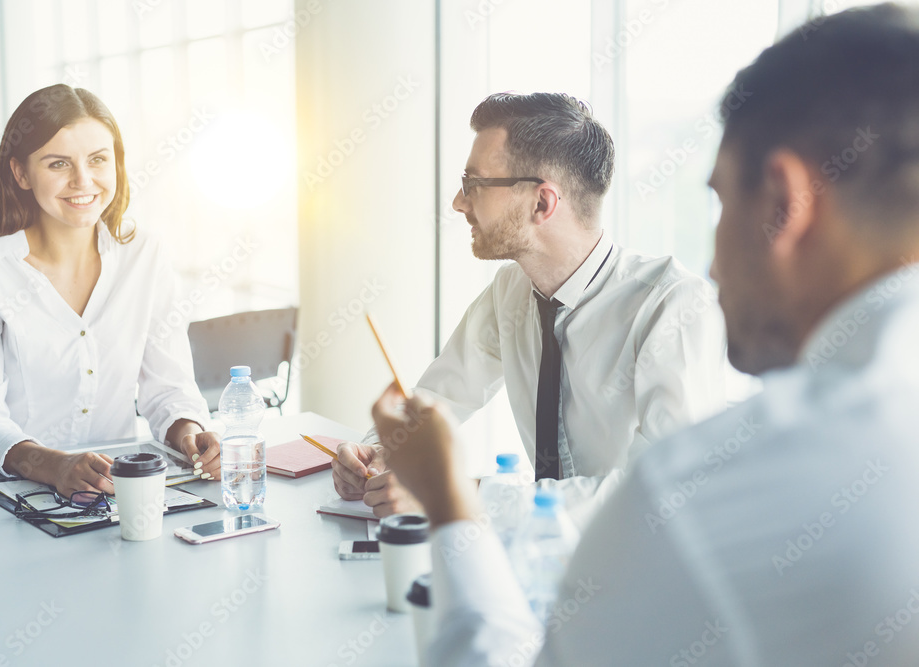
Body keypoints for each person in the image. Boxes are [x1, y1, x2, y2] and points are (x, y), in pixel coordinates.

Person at [371, 4, 919, 665]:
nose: (713, 268)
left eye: (719, 202)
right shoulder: (510, 296)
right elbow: (435, 403)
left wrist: (456, 500)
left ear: (783, 203)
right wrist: (386, 456)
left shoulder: (691, 491)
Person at [335, 92, 730, 520]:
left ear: (542, 203)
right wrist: (376, 452)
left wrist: (453, 494)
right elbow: (441, 394)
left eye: (474, 184)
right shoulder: (511, 290)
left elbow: (663, 489)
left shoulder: (672, 305)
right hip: (539, 548)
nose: (458, 203)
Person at [0, 84, 220, 499]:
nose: (83, 181)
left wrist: (191, 435)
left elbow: (169, 390)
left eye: (98, 160)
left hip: (124, 492)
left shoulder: (145, 255)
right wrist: (54, 465)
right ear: (20, 173)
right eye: (58, 163)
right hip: (19, 496)